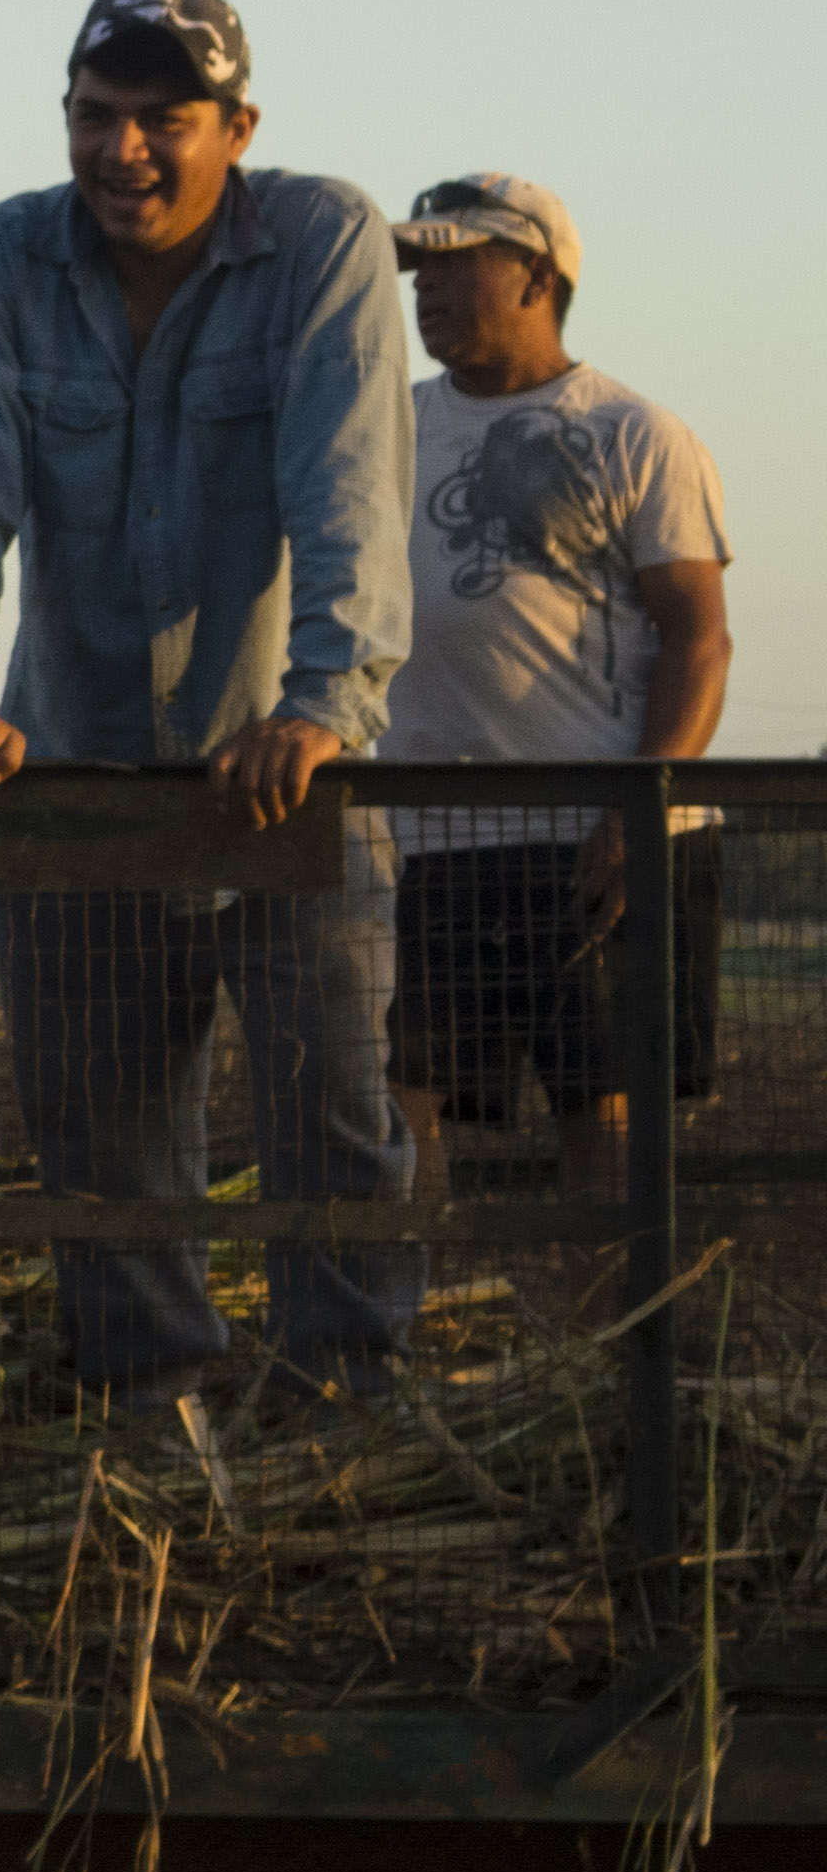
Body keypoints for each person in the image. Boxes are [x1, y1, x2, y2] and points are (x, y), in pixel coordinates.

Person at [0, 0, 417, 1410]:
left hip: (287, 767)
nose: (124, 152)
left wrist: (322, 703)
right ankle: (150, 1411)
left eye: (162, 121)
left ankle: (345, 1406)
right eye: (95, 117)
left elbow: (349, 484)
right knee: (100, 1131)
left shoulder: (321, 240)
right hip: (78, 766)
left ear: (237, 126)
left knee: (332, 1106)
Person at [376, 174, 731, 1216]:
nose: (426, 286)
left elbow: (698, 637)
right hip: (427, 837)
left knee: (603, 1118)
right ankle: (402, 1348)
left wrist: (643, 801)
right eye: (420, 267)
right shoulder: (386, 434)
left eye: (454, 260)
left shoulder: (633, 432)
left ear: (538, 273)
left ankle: (604, 1369)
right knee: (397, 1107)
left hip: (599, 838)